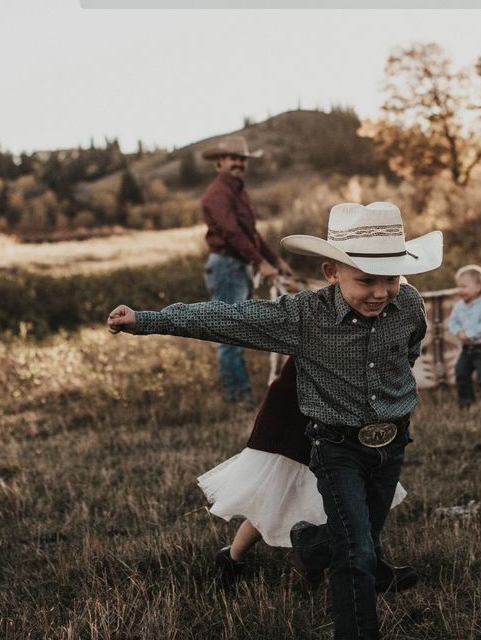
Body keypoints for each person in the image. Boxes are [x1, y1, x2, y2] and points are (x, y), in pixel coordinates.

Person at [108, 201, 443, 640]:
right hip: (336, 447)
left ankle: (307, 543)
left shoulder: (410, 306)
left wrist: (396, 398)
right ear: (331, 272)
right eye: (366, 280)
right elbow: (228, 318)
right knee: (356, 552)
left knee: (362, 538)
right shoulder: (304, 316)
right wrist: (146, 320)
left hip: (392, 443)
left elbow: (408, 351)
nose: (380, 292)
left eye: (391, 279)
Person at [200, 356, 407, 589]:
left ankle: (358, 564)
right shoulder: (317, 328)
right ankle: (232, 558)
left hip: (338, 420)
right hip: (296, 418)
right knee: (276, 498)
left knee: (353, 495)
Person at [199, 134, 292, 405]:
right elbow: (232, 234)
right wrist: (260, 262)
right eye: (232, 158)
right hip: (228, 266)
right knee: (229, 330)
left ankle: (239, 392)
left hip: (236, 267)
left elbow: (251, 234)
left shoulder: (237, 191)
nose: (239, 163)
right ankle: (237, 395)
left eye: (242, 158)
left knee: (236, 328)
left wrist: (275, 260)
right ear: (219, 163)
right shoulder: (216, 195)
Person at [449, 264, 481, 408]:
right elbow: (453, 321)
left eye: (464, 286)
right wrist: (458, 331)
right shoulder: (459, 306)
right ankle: (466, 402)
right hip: (467, 349)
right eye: (459, 286)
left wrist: (469, 334)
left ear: (478, 287)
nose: (460, 290)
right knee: (461, 373)